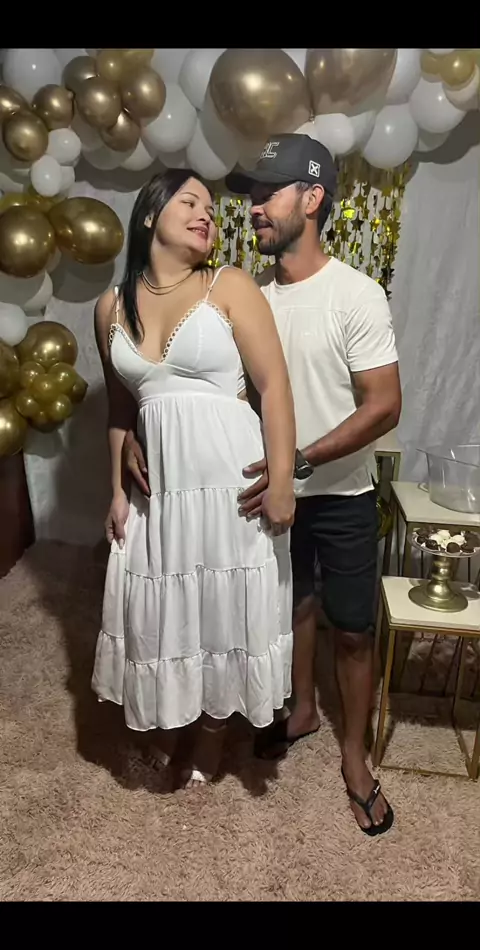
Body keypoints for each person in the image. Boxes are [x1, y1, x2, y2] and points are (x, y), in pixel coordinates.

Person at [92, 168, 296, 788]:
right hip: (161, 489)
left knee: (222, 608)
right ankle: (173, 716)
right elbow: (120, 409)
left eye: (210, 207)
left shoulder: (228, 285)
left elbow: (273, 386)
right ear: (149, 215)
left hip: (229, 482)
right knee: (165, 605)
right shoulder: (109, 307)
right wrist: (115, 488)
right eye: (190, 202)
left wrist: (282, 480)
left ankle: (211, 733)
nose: (206, 214)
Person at [226, 134, 402, 836]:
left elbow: (383, 405)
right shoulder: (248, 298)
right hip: (271, 492)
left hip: (343, 495)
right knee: (291, 611)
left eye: (266, 192)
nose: (254, 207)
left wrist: (297, 461)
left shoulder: (355, 294)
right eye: (250, 195)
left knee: (352, 631)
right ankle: (301, 710)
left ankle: (354, 756)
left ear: (311, 198)